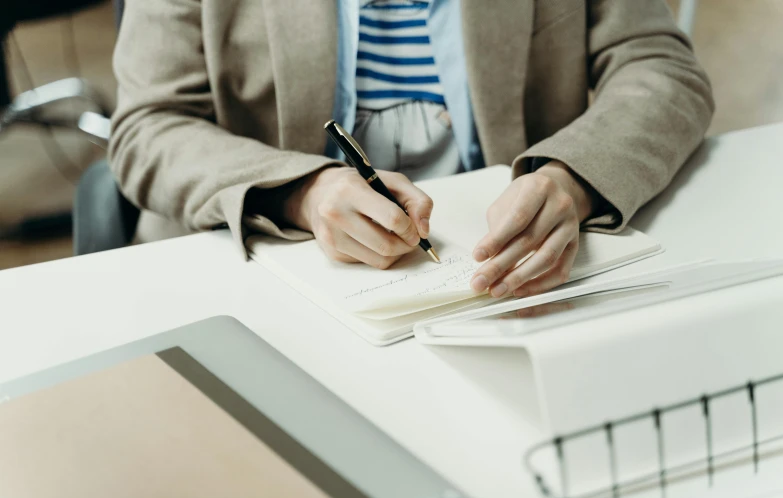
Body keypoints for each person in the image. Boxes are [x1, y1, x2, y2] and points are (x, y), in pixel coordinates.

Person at [109, 0, 713, 299]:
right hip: (268, 284)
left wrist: (574, 178)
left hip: (503, 283)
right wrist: (302, 192)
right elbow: (148, 125)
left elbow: (659, 66)